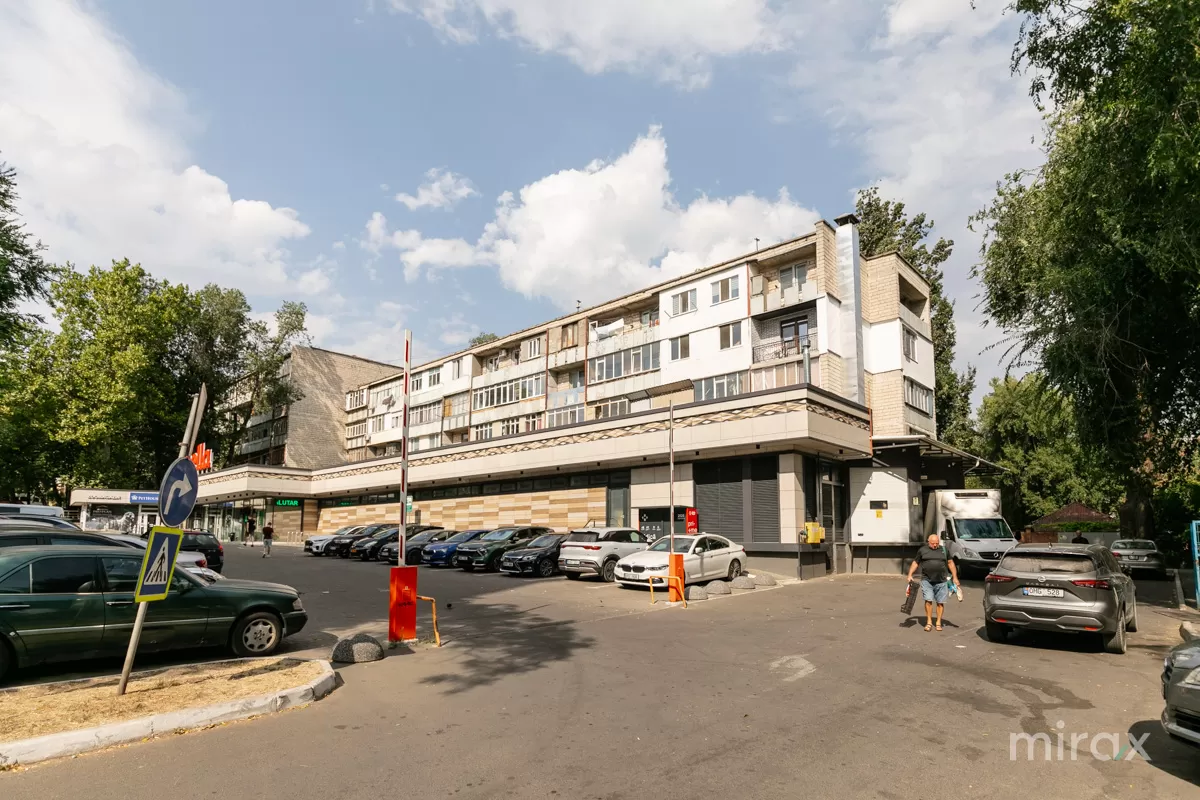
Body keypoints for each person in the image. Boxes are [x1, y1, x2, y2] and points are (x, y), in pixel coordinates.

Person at [905, 533, 961, 632]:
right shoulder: (923, 550)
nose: (935, 545)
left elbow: (950, 563)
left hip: (942, 581)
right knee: (928, 600)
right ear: (928, 542)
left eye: (937, 543)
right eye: (933, 543)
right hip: (927, 580)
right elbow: (915, 562)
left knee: (940, 602)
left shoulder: (944, 550)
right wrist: (910, 575)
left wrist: (955, 578)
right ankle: (929, 622)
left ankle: (938, 622)